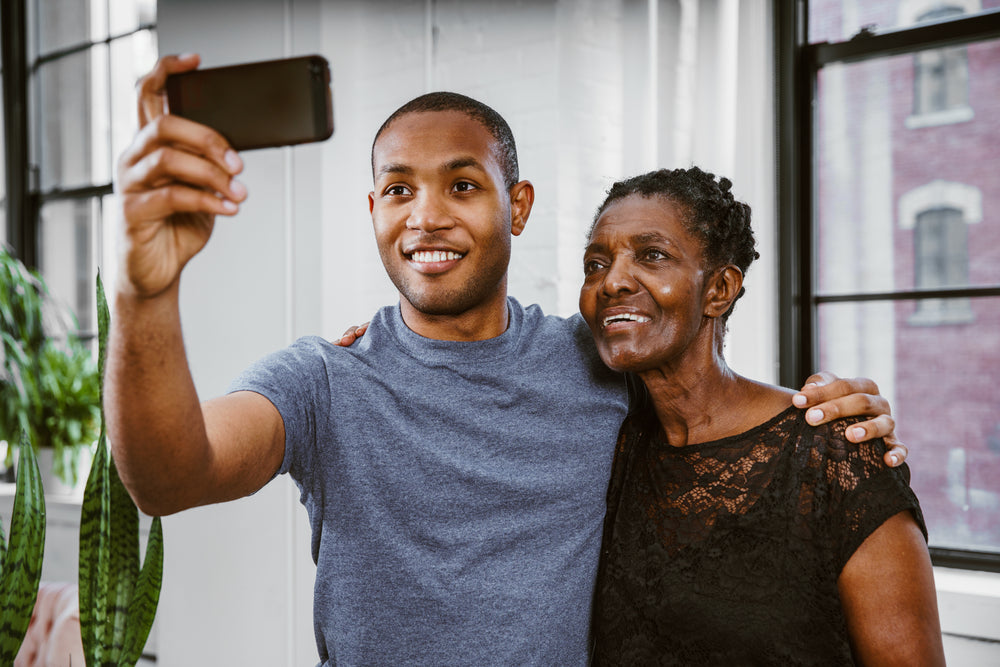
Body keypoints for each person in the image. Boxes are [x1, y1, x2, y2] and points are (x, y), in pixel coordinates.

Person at [108, 53, 907, 665]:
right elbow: (168, 475)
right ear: (374, 211)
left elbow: (709, 394)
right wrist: (146, 290)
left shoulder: (595, 360)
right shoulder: (323, 379)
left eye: (462, 185)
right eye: (398, 191)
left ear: (515, 206)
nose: (427, 217)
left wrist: (835, 411)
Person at [580, 167, 944, 665]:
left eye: (653, 255)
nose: (612, 281)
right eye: (595, 264)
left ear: (719, 290)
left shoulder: (832, 452)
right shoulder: (609, 442)